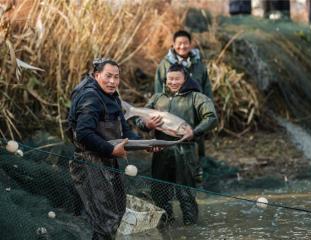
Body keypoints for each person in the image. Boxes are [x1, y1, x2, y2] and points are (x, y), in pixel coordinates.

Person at [67, 58, 140, 240]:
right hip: (89, 163)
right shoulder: (90, 97)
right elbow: (83, 133)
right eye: (108, 76)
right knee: (106, 221)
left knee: (117, 211)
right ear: (96, 74)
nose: (113, 82)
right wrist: (111, 150)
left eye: (116, 77)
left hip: (107, 161)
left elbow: (126, 130)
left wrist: (145, 145)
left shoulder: (113, 96)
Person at [139, 63, 218, 226]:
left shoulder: (197, 97)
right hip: (161, 151)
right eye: (170, 79)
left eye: (177, 79)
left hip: (186, 152)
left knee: (185, 194)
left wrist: (194, 132)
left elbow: (211, 118)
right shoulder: (157, 98)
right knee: (159, 192)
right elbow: (140, 119)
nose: (173, 82)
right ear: (165, 80)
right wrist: (147, 125)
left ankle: (191, 229)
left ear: (185, 79)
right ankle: (165, 226)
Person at [154, 29, 214, 172]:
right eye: (179, 43)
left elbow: (207, 88)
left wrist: (207, 109)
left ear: (190, 44)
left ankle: (196, 175)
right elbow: (158, 93)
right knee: (170, 152)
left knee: (195, 150)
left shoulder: (199, 64)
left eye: (186, 43)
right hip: (172, 115)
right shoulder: (164, 65)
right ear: (173, 45)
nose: (183, 46)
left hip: (195, 115)